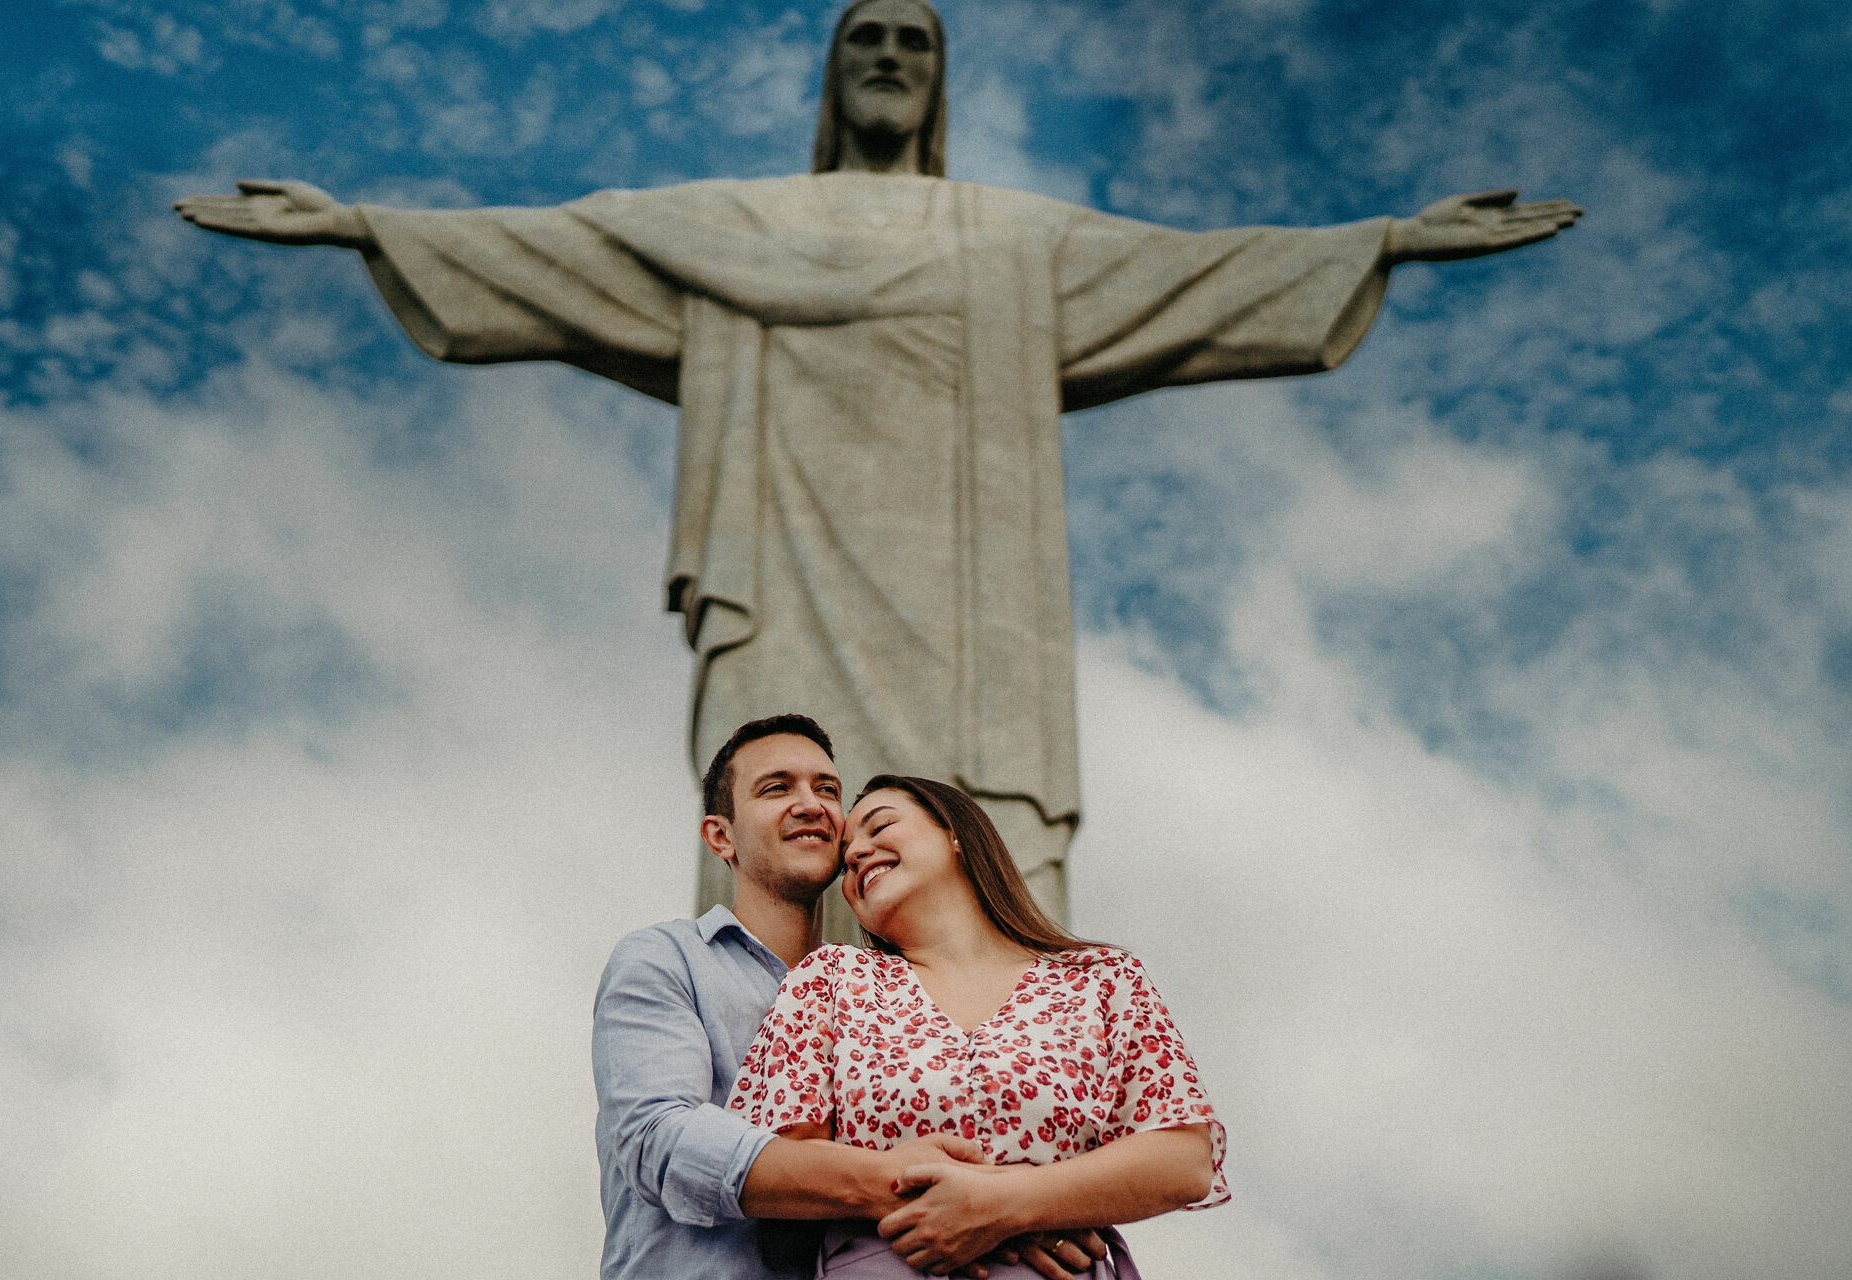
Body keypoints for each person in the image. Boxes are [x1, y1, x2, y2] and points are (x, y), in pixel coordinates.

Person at [174, 0, 1581, 935]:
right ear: (838, 78)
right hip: (789, 584)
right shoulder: (736, 222)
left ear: (940, 77)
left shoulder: (1006, 237)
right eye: (868, 42)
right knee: (791, 832)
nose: (895, 59)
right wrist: (365, 225)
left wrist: (1383, 239)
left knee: (976, 846)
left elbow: (1191, 272)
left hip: (973, 622)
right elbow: (562, 249)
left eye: (918, 40)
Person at [592, 714, 1104, 1280]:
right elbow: (659, 1140)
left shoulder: (885, 999)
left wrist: (1007, 1210)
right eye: (777, 787)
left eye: (827, 789)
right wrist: (906, 1187)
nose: (811, 804)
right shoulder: (665, 959)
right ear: (722, 835)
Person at [727, 774, 1226, 1277]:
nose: (856, 853)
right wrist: (934, 1198)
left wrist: (1009, 1204)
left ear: (956, 834)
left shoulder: (1102, 979)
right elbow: (765, 1166)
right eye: (846, 856)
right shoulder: (832, 979)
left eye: (880, 826)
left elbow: (1183, 1159)